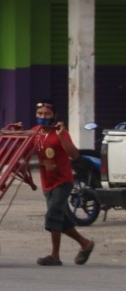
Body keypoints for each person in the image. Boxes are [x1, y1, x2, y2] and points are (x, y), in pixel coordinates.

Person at [31, 101, 95, 266]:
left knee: (52, 215)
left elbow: (74, 155)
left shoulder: (60, 133)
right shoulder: (35, 132)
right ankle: (85, 244)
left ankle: (55, 256)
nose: (43, 117)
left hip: (62, 181)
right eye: (40, 114)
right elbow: (25, 149)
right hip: (47, 182)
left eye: (47, 114)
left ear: (54, 116)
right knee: (61, 220)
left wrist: (61, 137)